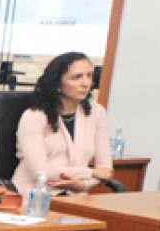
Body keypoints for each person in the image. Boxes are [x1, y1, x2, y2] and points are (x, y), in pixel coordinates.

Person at [11, 51, 113, 195]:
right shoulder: (34, 117)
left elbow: (105, 170)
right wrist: (90, 173)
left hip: (76, 198)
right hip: (34, 196)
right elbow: (41, 171)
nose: (85, 83)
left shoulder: (97, 113)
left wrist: (83, 185)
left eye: (89, 76)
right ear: (57, 84)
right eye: (77, 77)